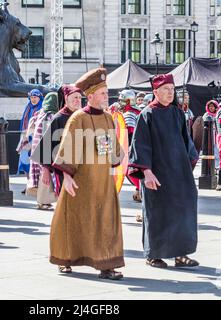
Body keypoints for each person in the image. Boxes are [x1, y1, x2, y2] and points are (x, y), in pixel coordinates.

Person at [49, 68, 125, 280]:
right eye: (102, 93)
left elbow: (112, 151)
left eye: (107, 92)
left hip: (103, 181)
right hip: (81, 181)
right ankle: (65, 259)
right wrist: (66, 177)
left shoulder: (109, 118)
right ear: (90, 96)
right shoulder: (77, 119)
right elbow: (66, 150)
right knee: (73, 220)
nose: (106, 97)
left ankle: (106, 265)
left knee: (106, 221)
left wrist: (117, 157)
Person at [129, 73, 199, 269]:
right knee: (157, 213)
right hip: (157, 173)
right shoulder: (147, 115)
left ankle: (180, 254)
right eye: (166, 90)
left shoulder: (177, 113)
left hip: (179, 172)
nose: (170, 93)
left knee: (183, 210)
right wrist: (147, 172)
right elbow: (140, 146)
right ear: (155, 92)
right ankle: (154, 254)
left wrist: (190, 162)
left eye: (172, 89)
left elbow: (187, 142)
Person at [31, 85, 83, 196]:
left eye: (79, 97)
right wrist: (45, 170)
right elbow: (47, 144)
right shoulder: (59, 118)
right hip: (63, 170)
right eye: (75, 97)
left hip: (82, 168)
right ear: (66, 99)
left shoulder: (82, 117)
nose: (78, 100)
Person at [28, 92, 59, 210]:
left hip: (37, 149)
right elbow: (48, 136)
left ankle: (42, 201)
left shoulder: (40, 113)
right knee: (46, 177)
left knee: (43, 177)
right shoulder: (50, 116)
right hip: (44, 150)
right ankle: (43, 201)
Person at [16, 89, 44, 193]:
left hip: (36, 136)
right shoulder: (27, 107)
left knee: (37, 162)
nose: (33, 99)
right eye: (31, 97)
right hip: (25, 136)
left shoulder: (42, 108)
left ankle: (39, 186)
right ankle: (29, 184)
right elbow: (24, 121)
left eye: (35, 97)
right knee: (24, 161)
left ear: (39, 98)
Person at [203, 100, 220, 170]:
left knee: (217, 152)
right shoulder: (206, 115)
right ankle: (210, 168)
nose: (211, 108)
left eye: (212, 106)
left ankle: (216, 167)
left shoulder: (218, 114)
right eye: (210, 106)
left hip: (217, 136)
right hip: (209, 136)